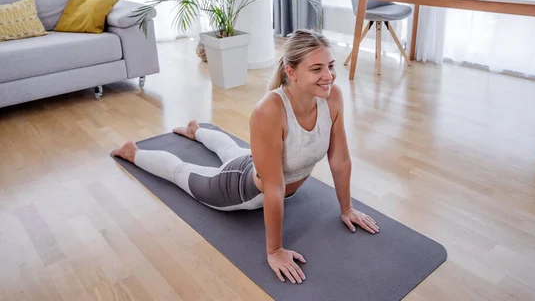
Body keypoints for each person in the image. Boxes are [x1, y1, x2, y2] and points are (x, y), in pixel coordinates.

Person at [113, 29, 379, 285]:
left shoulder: (332, 98)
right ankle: (133, 152)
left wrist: (347, 209)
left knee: (232, 152)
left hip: (262, 166)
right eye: (316, 69)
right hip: (238, 186)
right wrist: (274, 251)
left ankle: (196, 131)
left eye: (330, 66)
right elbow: (274, 187)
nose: (328, 76)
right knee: (182, 173)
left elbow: (340, 160)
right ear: (291, 72)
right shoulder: (270, 110)